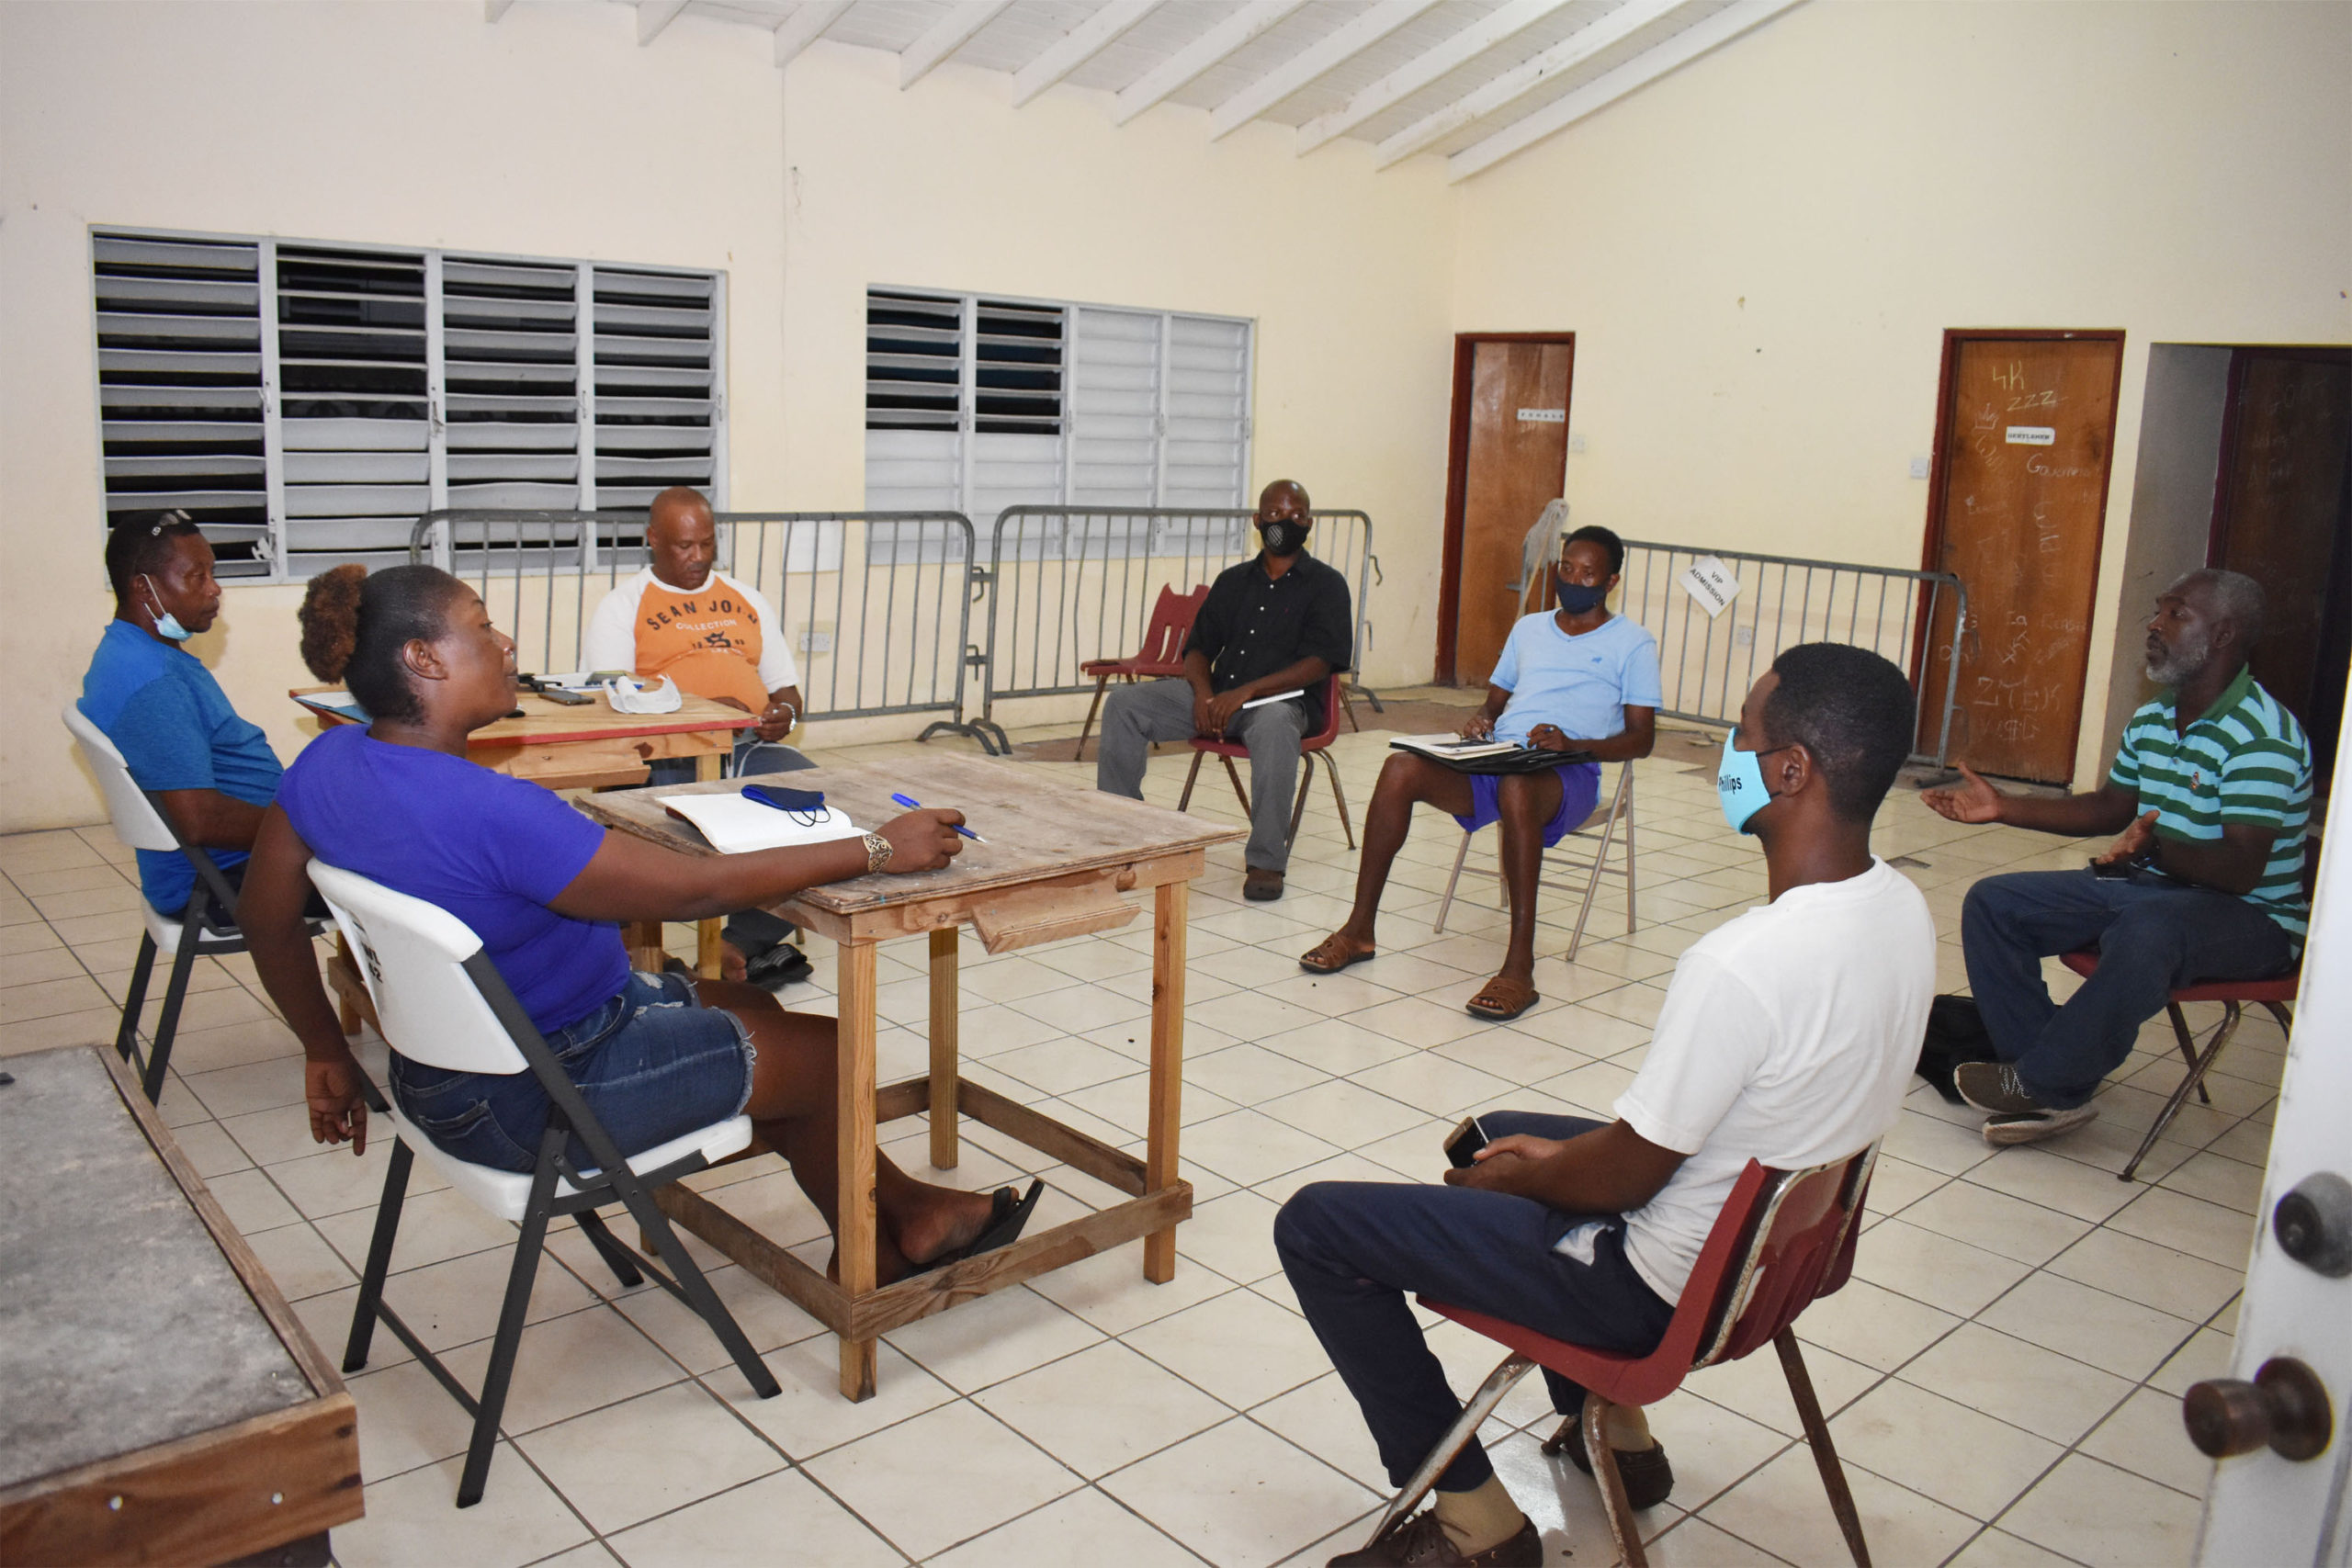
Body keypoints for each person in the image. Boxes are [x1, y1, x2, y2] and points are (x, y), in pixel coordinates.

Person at [1275, 644, 1933, 1568]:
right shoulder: (1901, 908)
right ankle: (1618, 1441)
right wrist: (1543, 1163)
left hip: (1650, 1289)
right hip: (1771, 1254)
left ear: (1791, 771)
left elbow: (1625, 1177)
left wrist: (1519, 1185)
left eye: (1741, 735)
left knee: (1316, 1226)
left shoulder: (1744, 965)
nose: (1726, 754)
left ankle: (1475, 1523)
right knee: (1494, 1136)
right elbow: (1655, 1150)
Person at [240, 564, 1039, 1284]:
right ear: (424, 659)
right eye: (482, 625)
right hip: (543, 1094)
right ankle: (889, 1235)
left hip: (434, 1081)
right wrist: (874, 848)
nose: (506, 641)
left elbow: (265, 918)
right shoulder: (495, 810)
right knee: (827, 1053)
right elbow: (694, 891)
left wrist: (326, 1050)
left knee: (755, 1008)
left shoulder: (325, 765)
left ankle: (900, 1222)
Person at [1924, 569, 2311, 1146]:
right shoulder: (2154, 717)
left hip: (2253, 918)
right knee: (1995, 903)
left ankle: (2043, 1083)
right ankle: (2053, 1082)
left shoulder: (2262, 734)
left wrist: (2155, 848)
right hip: (2156, 891)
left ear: (2223, 634)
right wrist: (2003, 807)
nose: (2154, 625)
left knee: (2148, 928)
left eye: (2176, 614)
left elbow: (2239, 870)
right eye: (2158, 610)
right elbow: (2109, 808)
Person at [1299, 525, 1659, 1021]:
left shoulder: (1633, 643)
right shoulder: (1529, 628)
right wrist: (1481, 722)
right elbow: (1493, 704)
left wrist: (1575, 744)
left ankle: (1519, 967)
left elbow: (1642, 739)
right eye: (1566, 568)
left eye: (1588, 574)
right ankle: (1359, 929)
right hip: (1502, 755)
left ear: (1611, 582)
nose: (1573, 580)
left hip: (1568, 770)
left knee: (1518, 786)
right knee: (1400, 768)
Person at [582, 485, 809, 984]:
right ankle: (634, 949)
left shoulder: (747, 598)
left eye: (707, 544)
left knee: (816, 807)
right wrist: (700, 710)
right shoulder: (623, 606)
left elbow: (789, 693)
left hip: (746, 746)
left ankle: (740, 943)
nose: (698, 557)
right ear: (653, 539)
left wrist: (786, 717)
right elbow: (611, 699)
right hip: (667, 754)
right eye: (685, 546)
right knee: (638, 832)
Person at [1095, 479, 1352, 902]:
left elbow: (1321, 662)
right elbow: (1197, 649)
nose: (1284, 522)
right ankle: (1122, 839)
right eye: (1274, 514)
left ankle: (1266, 860)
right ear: (1257, 521)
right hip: (1220, 699)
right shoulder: (1233, 582)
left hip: (1282, 704)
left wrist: (1246, 693)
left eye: (1295, 515)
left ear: (1308, 524)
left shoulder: (1326, 584)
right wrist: (1203, 694)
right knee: (1125, 704)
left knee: (1274, 727)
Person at [77, 511, 285, 918]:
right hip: (222, 879)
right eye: (196, 576)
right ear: (144, 587)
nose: (214, 588)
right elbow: (201, 822)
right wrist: (309, 830)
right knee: (398, 863)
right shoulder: (154, 682)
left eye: (212, 573)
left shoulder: (132, 648)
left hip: (229, 861)